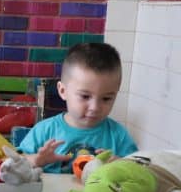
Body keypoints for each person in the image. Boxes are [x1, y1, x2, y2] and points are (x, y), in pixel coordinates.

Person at [18, 42, 138, 173]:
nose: (95, 107)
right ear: (63, 91)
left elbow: (139, 171)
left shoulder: (118, 135)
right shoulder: (45, 130)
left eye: (106, 98)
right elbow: (15, 161)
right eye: (85, 96)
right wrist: (36, 160)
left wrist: (121, 165)